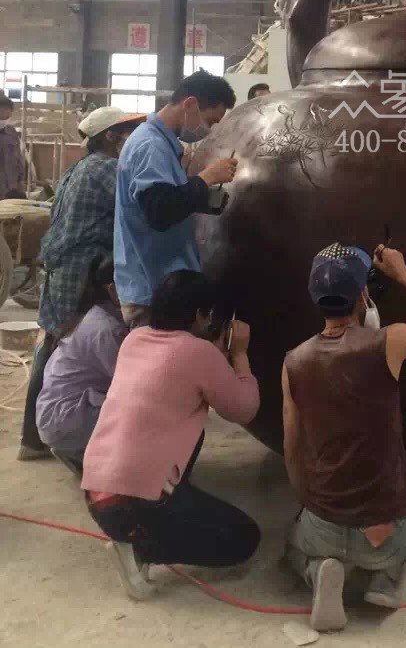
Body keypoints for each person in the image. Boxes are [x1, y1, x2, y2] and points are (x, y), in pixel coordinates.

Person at [283, 243, 406, 632]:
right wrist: (403, 274)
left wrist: (309, 505)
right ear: (363, 295)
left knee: (292, 544)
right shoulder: (388, 343)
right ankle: (385, 576)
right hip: (383, 534)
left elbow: (292, 447)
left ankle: (317, 572)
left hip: (323, 526)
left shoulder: (294, 361)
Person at [82, 269, 261, 601]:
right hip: (134, 505)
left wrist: (213, 354)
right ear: (200, 315)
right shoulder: (200, 354)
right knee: (244, 538)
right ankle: (142, 548)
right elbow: (244, 408)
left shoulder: (135, 339)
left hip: (98, 493)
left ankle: (147, 526)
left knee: (187, 426)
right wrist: (239, 355)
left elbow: (176, 373)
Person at [18, 106, 144, 462]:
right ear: (111, 137)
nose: (133, 139)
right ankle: (42, 436)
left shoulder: (78, 167)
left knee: (56, 344)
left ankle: (33, 438)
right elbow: (144, 206)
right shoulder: (106, 168)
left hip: (63, 268)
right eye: (128, 132)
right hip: (80, 270)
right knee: (63, 345)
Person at [114, 71, 238, 328]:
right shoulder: (150, 146)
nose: (209, 130)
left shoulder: (162, 144)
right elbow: (159, 211)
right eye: (210, 121)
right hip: (153, 292)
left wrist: (205, 199)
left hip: (165, 287)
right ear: (190, 104)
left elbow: (167, 198)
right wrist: (205, 178)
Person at [36, 255, 126, 472]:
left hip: (57, 415)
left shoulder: (97, 314)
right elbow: (129, 385)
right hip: (63, 420)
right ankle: (86, 454)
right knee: (140, 412)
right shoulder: (106, 328)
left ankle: (80, 451)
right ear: (113, 290)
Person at [0, 92, 25, 200]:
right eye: (3, 110)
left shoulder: (11, 132)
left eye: (9, 111)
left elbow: (18, 158)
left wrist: (21, 181)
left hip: (11, 188)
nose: (7, 115)